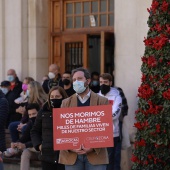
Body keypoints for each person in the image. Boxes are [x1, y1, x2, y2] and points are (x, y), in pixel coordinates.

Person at [59, 67, 109, 170]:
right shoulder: (65, 103)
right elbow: (62, 130)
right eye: (74, 80)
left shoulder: (102, 101)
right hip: (72, 156)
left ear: (88, 81)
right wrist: (72, 147)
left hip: (96, 155)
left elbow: (105, 129)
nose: (76, 82)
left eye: (80, 79)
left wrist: (92, 147)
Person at [31, 86, 67, 170]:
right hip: (47, 156)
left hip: (65, 156)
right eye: (52, 97)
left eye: (57, 97)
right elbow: (35, 131)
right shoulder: (43, 111)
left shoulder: (70, 111)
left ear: (63, 97)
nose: (54, 99)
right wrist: (39, 146)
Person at [4, 103, 40, 170]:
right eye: (30, 115)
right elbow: (24, 137)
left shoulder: (44, 122)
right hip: (34, 150)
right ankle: (16, 149)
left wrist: (25, 145)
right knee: (25, 152)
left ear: (39, 113)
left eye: (34, 114)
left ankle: (16, 150)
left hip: (43, 149)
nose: (32, 116)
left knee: (26, 148)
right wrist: (16, 143)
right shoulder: (31, 123)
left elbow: (40, 140)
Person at [98, 73, 122, 170]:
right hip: (99, 134)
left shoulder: (117, 97)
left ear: (110, 83)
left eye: (105, 82)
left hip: (112, 134)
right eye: (101, 82)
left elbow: (115, 115)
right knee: (101, 161)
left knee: (111, 161)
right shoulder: (96, 96)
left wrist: (99, 117)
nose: (103, 84)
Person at [8, 77, 34, 147]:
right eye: (23, 83)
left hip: (31, 122)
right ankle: (15, 146)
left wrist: (25, 124)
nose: (24, 85)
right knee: (12, 125)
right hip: (24, 119)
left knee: (25, 128)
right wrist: (22, 123)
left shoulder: (33, 99)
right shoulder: (22, 95)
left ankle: (22, 146)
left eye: (26, 84)